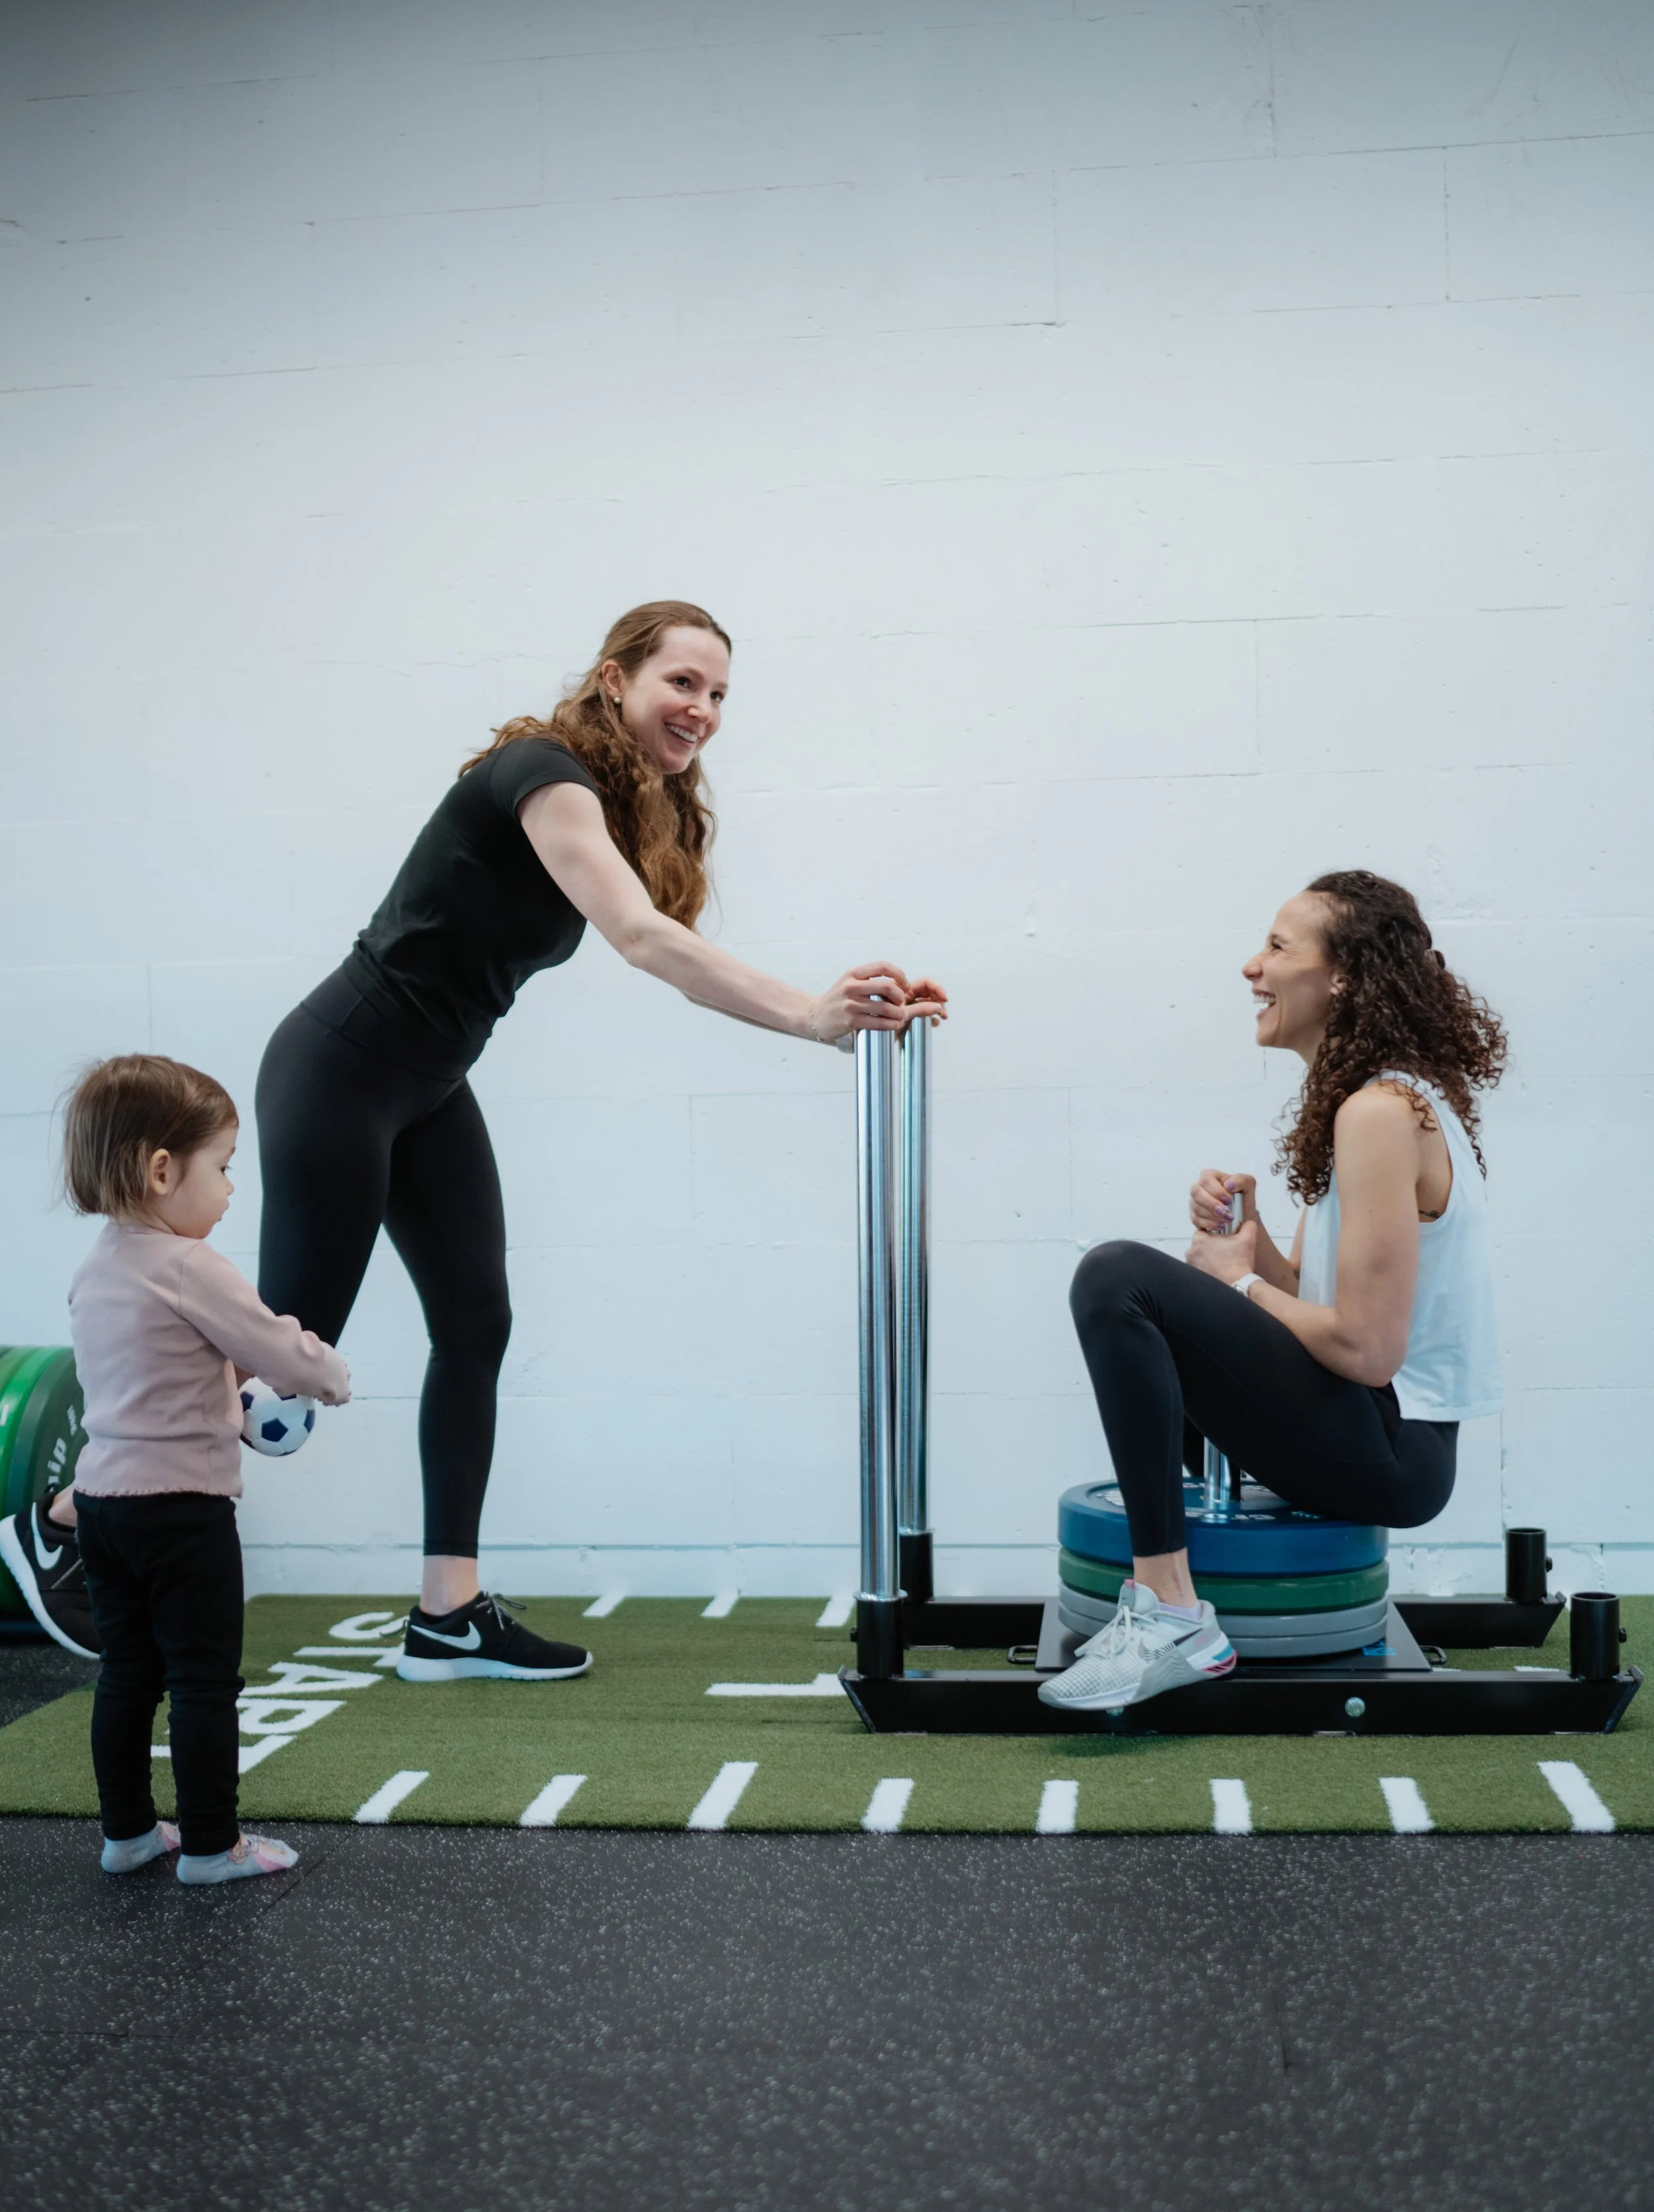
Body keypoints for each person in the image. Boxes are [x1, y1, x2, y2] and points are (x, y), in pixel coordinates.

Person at [235, 598, 943, 1684]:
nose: (702, 709)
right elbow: (645, 940)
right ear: (615, 679)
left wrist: (849, 1018)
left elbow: (671, 934)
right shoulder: (545, 771)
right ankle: (73, 1508)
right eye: (682, 683)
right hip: (341, 1071)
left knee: (476, 1321)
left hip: (426, 1087)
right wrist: (810, 1016)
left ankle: (446, 1616)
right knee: (283, 1380)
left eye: (717, 694)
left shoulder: (624, 806)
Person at [1040, 869, 1506, 1716]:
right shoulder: (1370, 1104)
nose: (1251, 967)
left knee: (1115, 1276)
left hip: (1394, 1450)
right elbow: (1317, 1310)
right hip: (1375, 1431)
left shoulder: (1379, 1112)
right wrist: (1249, 1253)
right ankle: (1169, 1607)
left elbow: (1366, 1351)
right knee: (1157, 1297)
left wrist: (1242, 1281)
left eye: (1277, 948)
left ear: (1345, 977)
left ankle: (1173, 1614)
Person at [44, 1056, 347, 1880]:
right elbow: (275, 1344)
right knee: (205, 1681)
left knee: (129, 1672)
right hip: (183, 1508)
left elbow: (148, 1377)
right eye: (222, 1168)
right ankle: (213, 1846)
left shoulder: (96, 1268)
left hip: (105, 1504)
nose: (230, 1188)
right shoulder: (189, 1266)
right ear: (162, 1169)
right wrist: (327, 1375)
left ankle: (128, 1835)